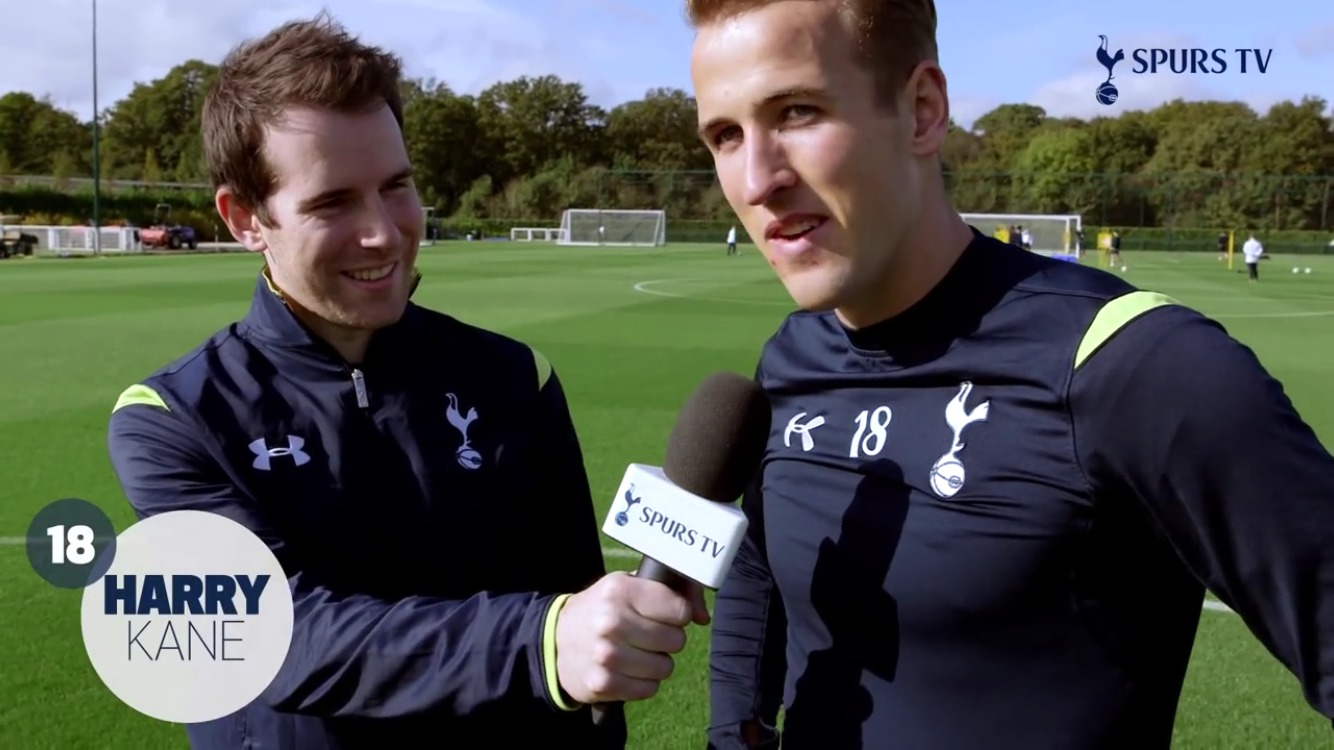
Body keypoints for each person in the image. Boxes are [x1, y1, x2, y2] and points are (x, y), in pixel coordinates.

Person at [686, 0, 1334, 747]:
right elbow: (764, 563)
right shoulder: (791, 357)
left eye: (798, 112)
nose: (756, 179)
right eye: (725, 135)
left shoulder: (1139, 368)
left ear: (923, 111)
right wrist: (735, 724)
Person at [105, 14, 706, 749]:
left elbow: (582, 629)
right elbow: (261, 635)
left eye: (396, 187)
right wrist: (538, 643)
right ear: (245, 218)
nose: (384, 232)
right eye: (332, 203)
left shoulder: (517, 378)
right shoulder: (174, 417)